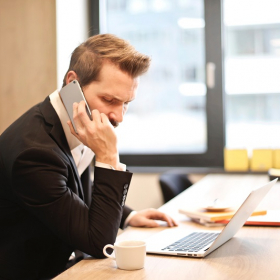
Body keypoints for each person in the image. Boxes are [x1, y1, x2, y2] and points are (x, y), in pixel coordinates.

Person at [0, 33, 177, 280]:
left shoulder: (71, 119)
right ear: (73, 83)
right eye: (109, 100)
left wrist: (129, 216)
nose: (119, 116)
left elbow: (74, 189)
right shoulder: (34, 154)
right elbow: (99, 244)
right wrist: (108, 156)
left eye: (126, 103)